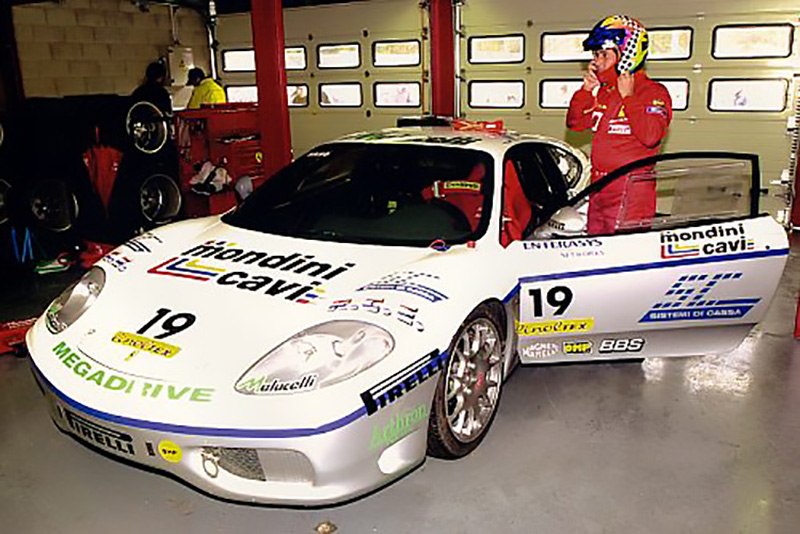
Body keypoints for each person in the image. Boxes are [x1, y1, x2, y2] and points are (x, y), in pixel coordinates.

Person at [566, 15, 672, 235]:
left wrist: (629, 98)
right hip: (598, 185)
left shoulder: (653, 92)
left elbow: (651, 136)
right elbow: (575, 124)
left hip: (631, 189)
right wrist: (586, 91)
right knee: (596, 244)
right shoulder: (605, 91)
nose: (597, 61)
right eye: (595, 55)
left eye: (603, 54)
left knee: (624, 248)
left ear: (627, 53)